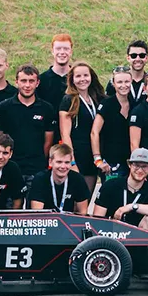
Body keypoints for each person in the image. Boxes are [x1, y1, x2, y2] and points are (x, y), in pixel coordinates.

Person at [0, 65, 56, 187]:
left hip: (36, 169)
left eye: (31, 81)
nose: (27, 85)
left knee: (35, 205)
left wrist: (38, 161)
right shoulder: (4, 107)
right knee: (10, 205)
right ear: (16, 82)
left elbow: (48, 142)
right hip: (10, 168)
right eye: (23, 81)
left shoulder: (47, 109)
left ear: (37, 83)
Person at [92, 148, 148, 236]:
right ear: (130, 165)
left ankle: (147, 250)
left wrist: (132, 207)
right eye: (136, 165)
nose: (140, 170)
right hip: (112, 236)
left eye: (144, 166)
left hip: (137, 237)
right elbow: (97, 219)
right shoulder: (110, 185)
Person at [59, 62, 106, 192]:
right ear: (72, 79)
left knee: (86, 198)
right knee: (75, 200)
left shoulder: (97, 98)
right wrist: (72, 162)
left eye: (86, 75)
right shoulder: (68, 100)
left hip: (93, 155)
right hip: (78, 156)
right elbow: (65, 134)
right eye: (78, 76)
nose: (82, 79)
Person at [91, 67, 133, 178]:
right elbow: (94, 132)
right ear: (113, 84)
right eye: (119, 82)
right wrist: (98, 159)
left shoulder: (135, 104)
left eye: (126, 81)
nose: (123, 85)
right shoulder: (107, 104)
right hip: (110, 163)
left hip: (130, 162)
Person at [28, 143, 90, 213]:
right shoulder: (40, 179)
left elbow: (83, 213)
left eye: (67, 162)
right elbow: (38, 214)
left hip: (68, 221)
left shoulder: (78, 179)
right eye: (59, 162)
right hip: (47, 221)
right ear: (50, 162)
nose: (63, 166)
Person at [105, 40, 148, 107]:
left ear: (146, 58)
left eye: (142, 55)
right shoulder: (116, 82)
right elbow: (107, 105)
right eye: (133, 55)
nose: (137, 59)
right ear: (128, 58)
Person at [37, 34, 74, 111]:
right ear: (52, 51)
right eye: (58, 49)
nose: (62, 52)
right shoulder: (41, 80)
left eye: (66, 49)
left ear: (71, 51)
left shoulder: (78, 79)